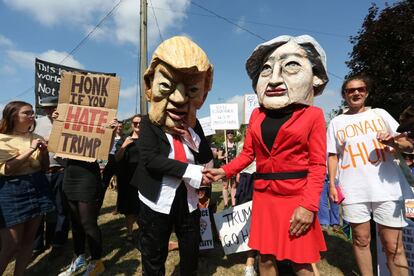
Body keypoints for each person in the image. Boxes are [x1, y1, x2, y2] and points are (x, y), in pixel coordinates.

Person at [204, 35, 329, 275]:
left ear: (315, 77)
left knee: (301, 261)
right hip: (264, 197)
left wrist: (308, 206)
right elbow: (248, 154)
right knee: (266, 258)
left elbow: (317, 165)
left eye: (291, 65)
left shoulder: (313, 115)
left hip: (296, 197)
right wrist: (224, 171)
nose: (273, 79)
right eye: (267, 69)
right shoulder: (256, 115)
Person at [132, 36, 213, 276]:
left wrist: (190, 134)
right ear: (150, 86)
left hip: (187, 200)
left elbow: (205, 155)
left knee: (190, 249)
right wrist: (192, 171)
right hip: (157, 198)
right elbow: (150, 160)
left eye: (192, 90)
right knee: (154, 252)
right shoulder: (148, 124)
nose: (178, 99)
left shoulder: (194, 125)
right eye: (167, 87)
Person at [327, 74, 411, 275]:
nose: (356, 93)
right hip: (353, 189)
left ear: (366, 92)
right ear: (344, 95)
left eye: (360, 89)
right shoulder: (336, 123)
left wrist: (392, 143)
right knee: (361, 239)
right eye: (350, 90)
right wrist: (332, 184)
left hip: (386, 189)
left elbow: (408, 145)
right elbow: (332, 155)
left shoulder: (380, 114)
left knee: (393, 245)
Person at [56, 111, 118, 276]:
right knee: (75, 223)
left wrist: (111, 131)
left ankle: (97, 262)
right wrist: (56, 119)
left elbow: (105, 149)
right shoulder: (68, 129)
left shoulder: (95, 130)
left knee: (88, 223)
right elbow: (56, 142)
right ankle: (79, 257)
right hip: (69, 177)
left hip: (88, 178)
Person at [0, 101, 54, 276]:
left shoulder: (36, 135)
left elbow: (44, 167)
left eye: (32, 112)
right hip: (12, 189)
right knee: (11, 245)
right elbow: (7, 170)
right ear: (13, 115)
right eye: (27, 112)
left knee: (28, 241)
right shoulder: (2, 139)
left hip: (38, 185)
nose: (32, 115)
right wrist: (31, 149)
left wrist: (44, 152)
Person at [33, 104, 70, 257]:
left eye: (52, 107)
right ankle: (36, 245)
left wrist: (58, 124)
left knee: (61, 208)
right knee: (39, 210)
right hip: (40, 172)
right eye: (46, 108)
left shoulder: (69, 122)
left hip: (60, 170)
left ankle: (58, 242)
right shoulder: (37, 123)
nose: (50, 111)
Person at [114, 115, 141, 242]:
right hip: (128, 180)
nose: (137, 125)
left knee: (143, 207)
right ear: (131, 125)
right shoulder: (124, 139)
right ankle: (130, 232)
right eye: (135, 123)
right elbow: (117, 158)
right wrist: (124, 145)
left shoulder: (148, 140)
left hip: (144, 179)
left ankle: (143, 230)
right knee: (129, 209)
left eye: (140, 123)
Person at [101, 120, 123, 206]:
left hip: (120, 161)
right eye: (118, 126)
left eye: (121, 126)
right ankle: (98, 204)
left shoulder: (124, 138)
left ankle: (119, 206)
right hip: (110, 160)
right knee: (103, 184)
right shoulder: (109, 137)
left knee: (121, 186)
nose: (119, 128)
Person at [218, 130, 238, 207]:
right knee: (225, 186)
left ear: (233, 135)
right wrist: (224, 156)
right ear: (226, 135)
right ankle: (226, 203)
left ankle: (233, 203)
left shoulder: (236, 145)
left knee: (233, 185)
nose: (230, 134)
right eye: (228, 133)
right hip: (225, 167)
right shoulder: (223, 145)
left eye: (231, 133)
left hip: (233, 167)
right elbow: (219, 157)